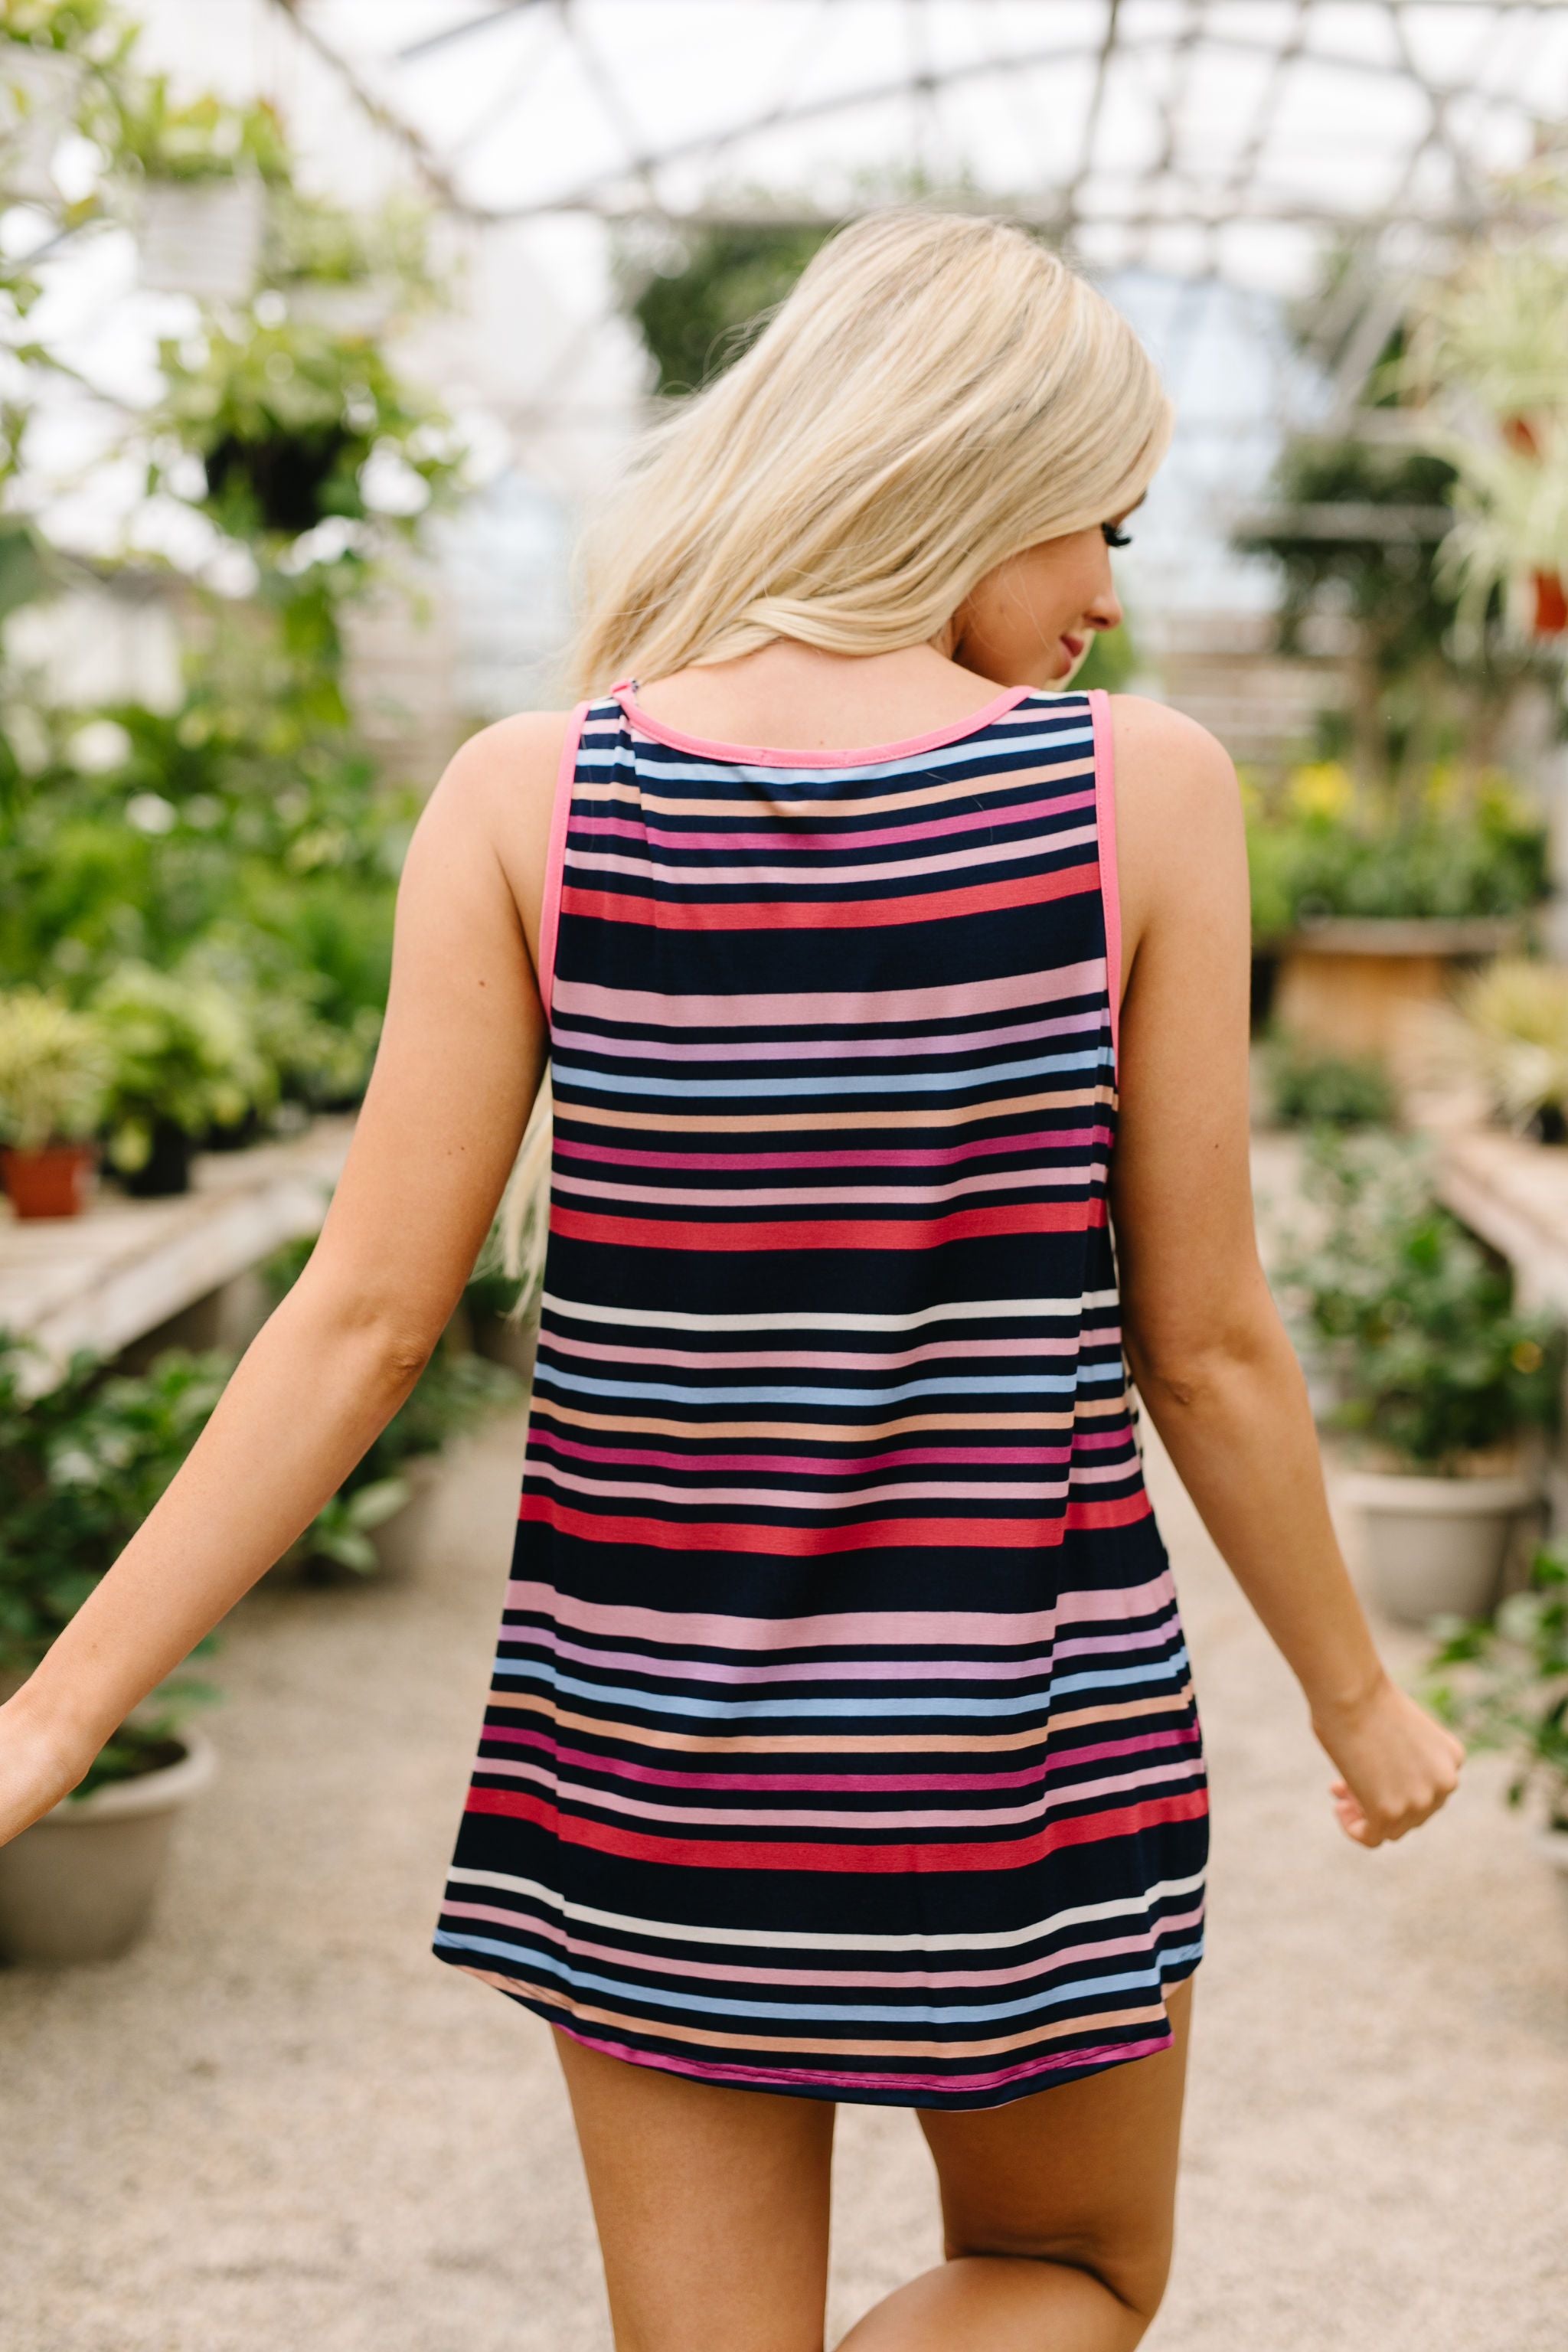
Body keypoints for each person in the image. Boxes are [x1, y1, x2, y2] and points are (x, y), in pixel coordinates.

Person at [0, 209, 1464, 2352]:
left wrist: (55, 1704)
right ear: (972, 466)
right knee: (1072, 2272)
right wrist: (1359, 1696)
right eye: (1102, 524)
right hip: (1019, 1751)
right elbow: (1213, 1339)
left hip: (649, 1761)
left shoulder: (534, 802)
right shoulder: (1135, 796)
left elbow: (360, 1326)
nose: (1111, 594)